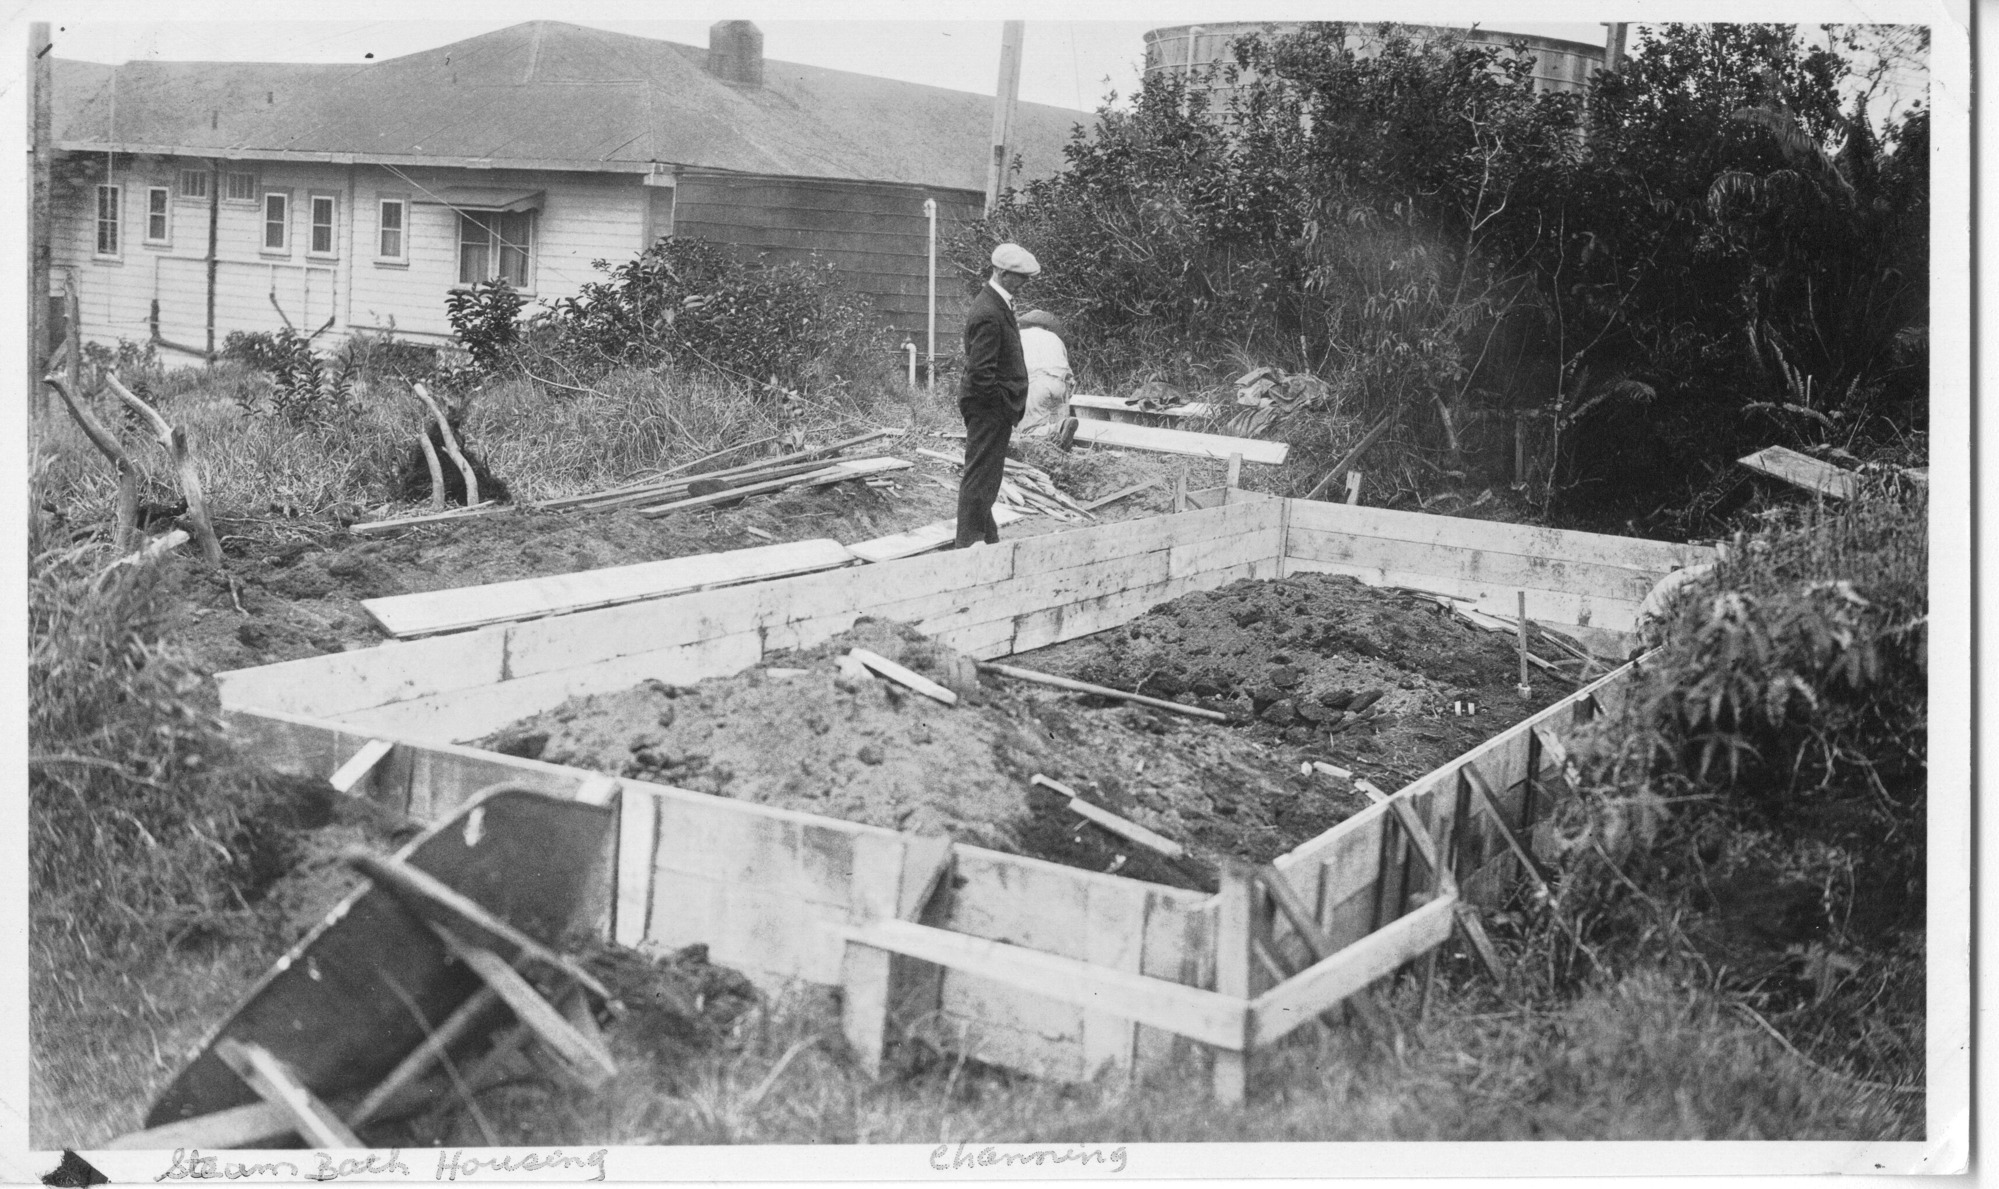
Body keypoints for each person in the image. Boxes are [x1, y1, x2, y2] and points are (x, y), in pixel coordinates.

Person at [955, 242, 1039, 548]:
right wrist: (1001, 404)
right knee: (980, 477)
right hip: (989, 408)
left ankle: (986, 538)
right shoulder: (990, 311)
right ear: (1003, 274)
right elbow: (981, 373)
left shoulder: (996, 302)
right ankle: (969, 543)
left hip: (992, 407)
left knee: (987, 476)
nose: (1025, 282)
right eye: (1020, 277)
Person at [1015, 309, 1075, 439]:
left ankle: (1058, 429)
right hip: (1061, 385)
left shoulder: (1019, 336)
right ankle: (1061, 427)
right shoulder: (1056, 339)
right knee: (1061, 432)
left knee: (1030, 430)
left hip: (1036, 383)